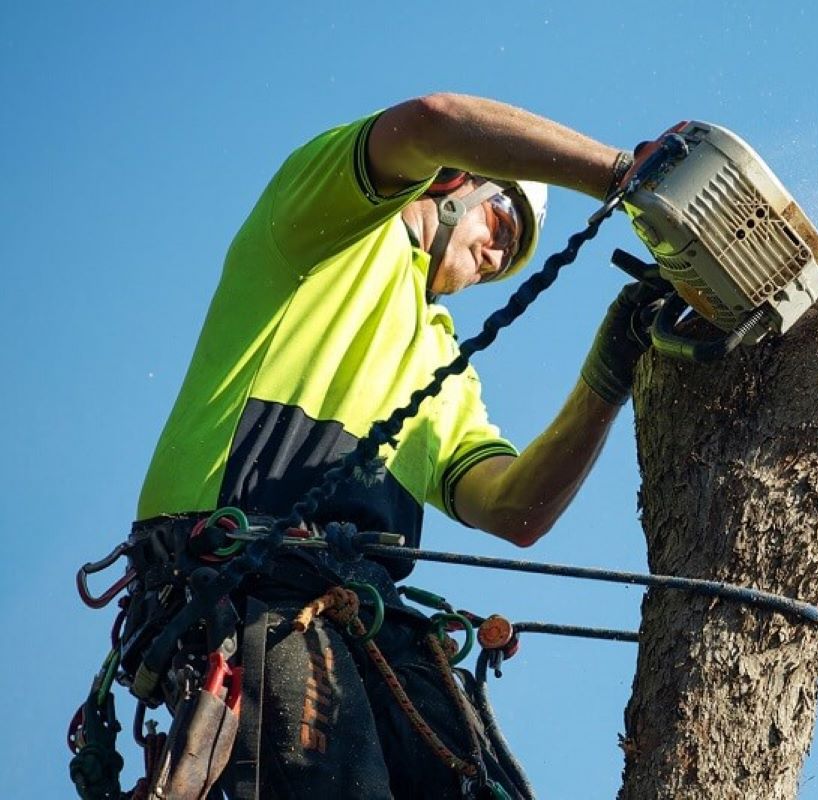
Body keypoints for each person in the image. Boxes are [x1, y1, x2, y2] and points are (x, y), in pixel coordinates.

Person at [126, 94, 661, 799]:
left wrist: (607, 374)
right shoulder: (324, 229)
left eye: (510, 259)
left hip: (360, 614)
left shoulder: (443, 362)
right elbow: (432, 119)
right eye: (502, 221)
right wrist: (624, 173)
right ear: (451, 183)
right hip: (243, 578)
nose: (498, 256)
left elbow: (514, 509)